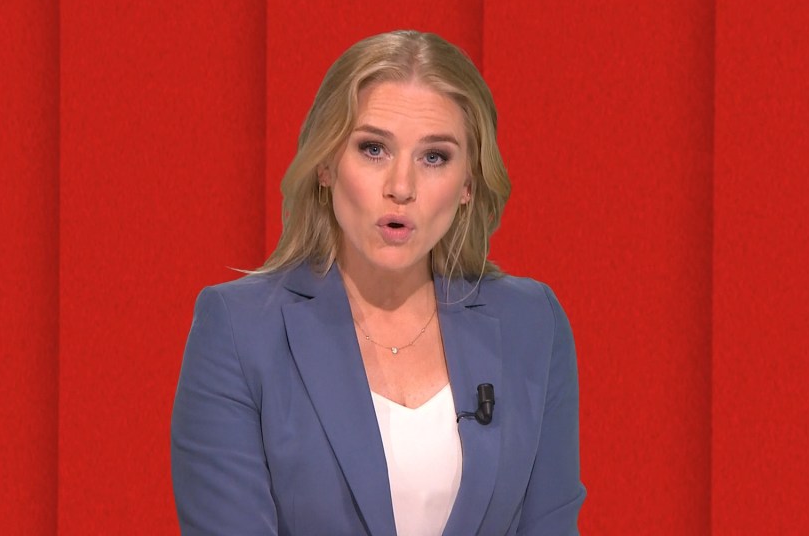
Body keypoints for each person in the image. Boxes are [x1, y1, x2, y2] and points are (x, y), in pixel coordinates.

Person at [171, 30, 585, 536]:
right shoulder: (239, 331)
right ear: (326, 165)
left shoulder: (532, 323)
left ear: (468, 185)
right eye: (373, 149)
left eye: (434, 157)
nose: (401, 187)